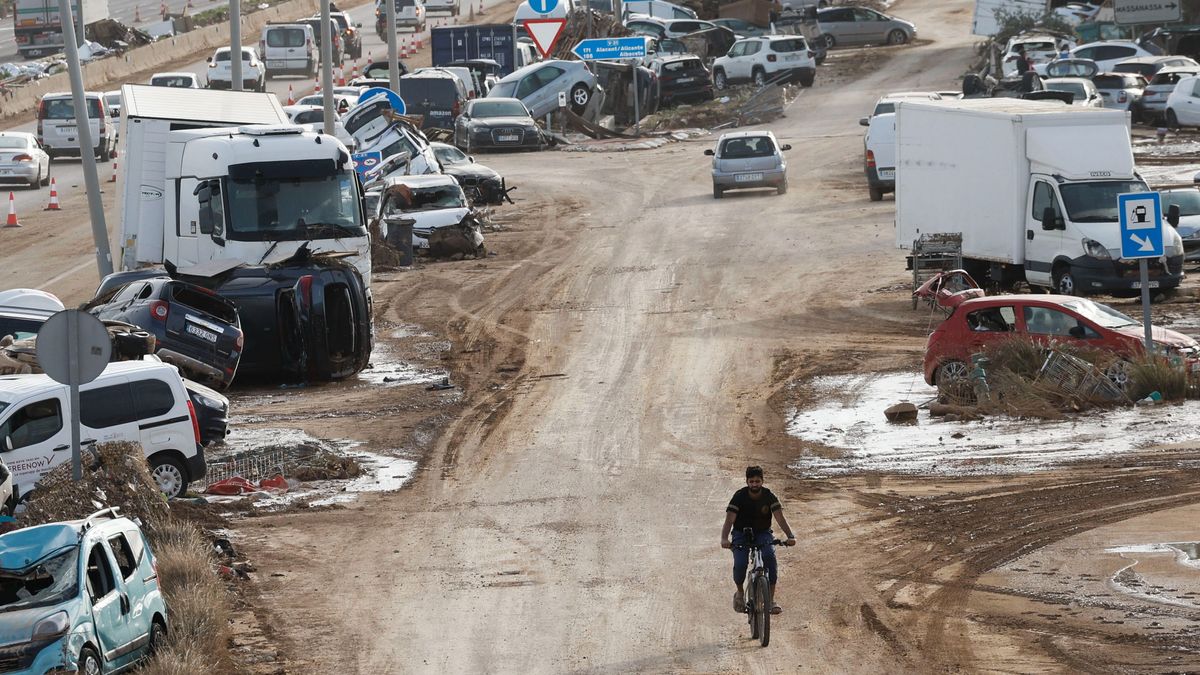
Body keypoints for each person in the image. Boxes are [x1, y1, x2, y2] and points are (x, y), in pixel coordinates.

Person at [720, 465, 796, 615]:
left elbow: (779, 517)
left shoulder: (769, 496)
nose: (755, 484)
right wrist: (724, 538)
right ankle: (740, 593)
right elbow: (729, 520)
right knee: (741, 563)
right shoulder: (739, 496)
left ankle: (771, 601)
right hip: (741, 534)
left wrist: (790, 536)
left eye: (757, 481)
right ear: (747, 481)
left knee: (769, 558)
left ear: (762, 481)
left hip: (763, 533)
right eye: (751, 481)